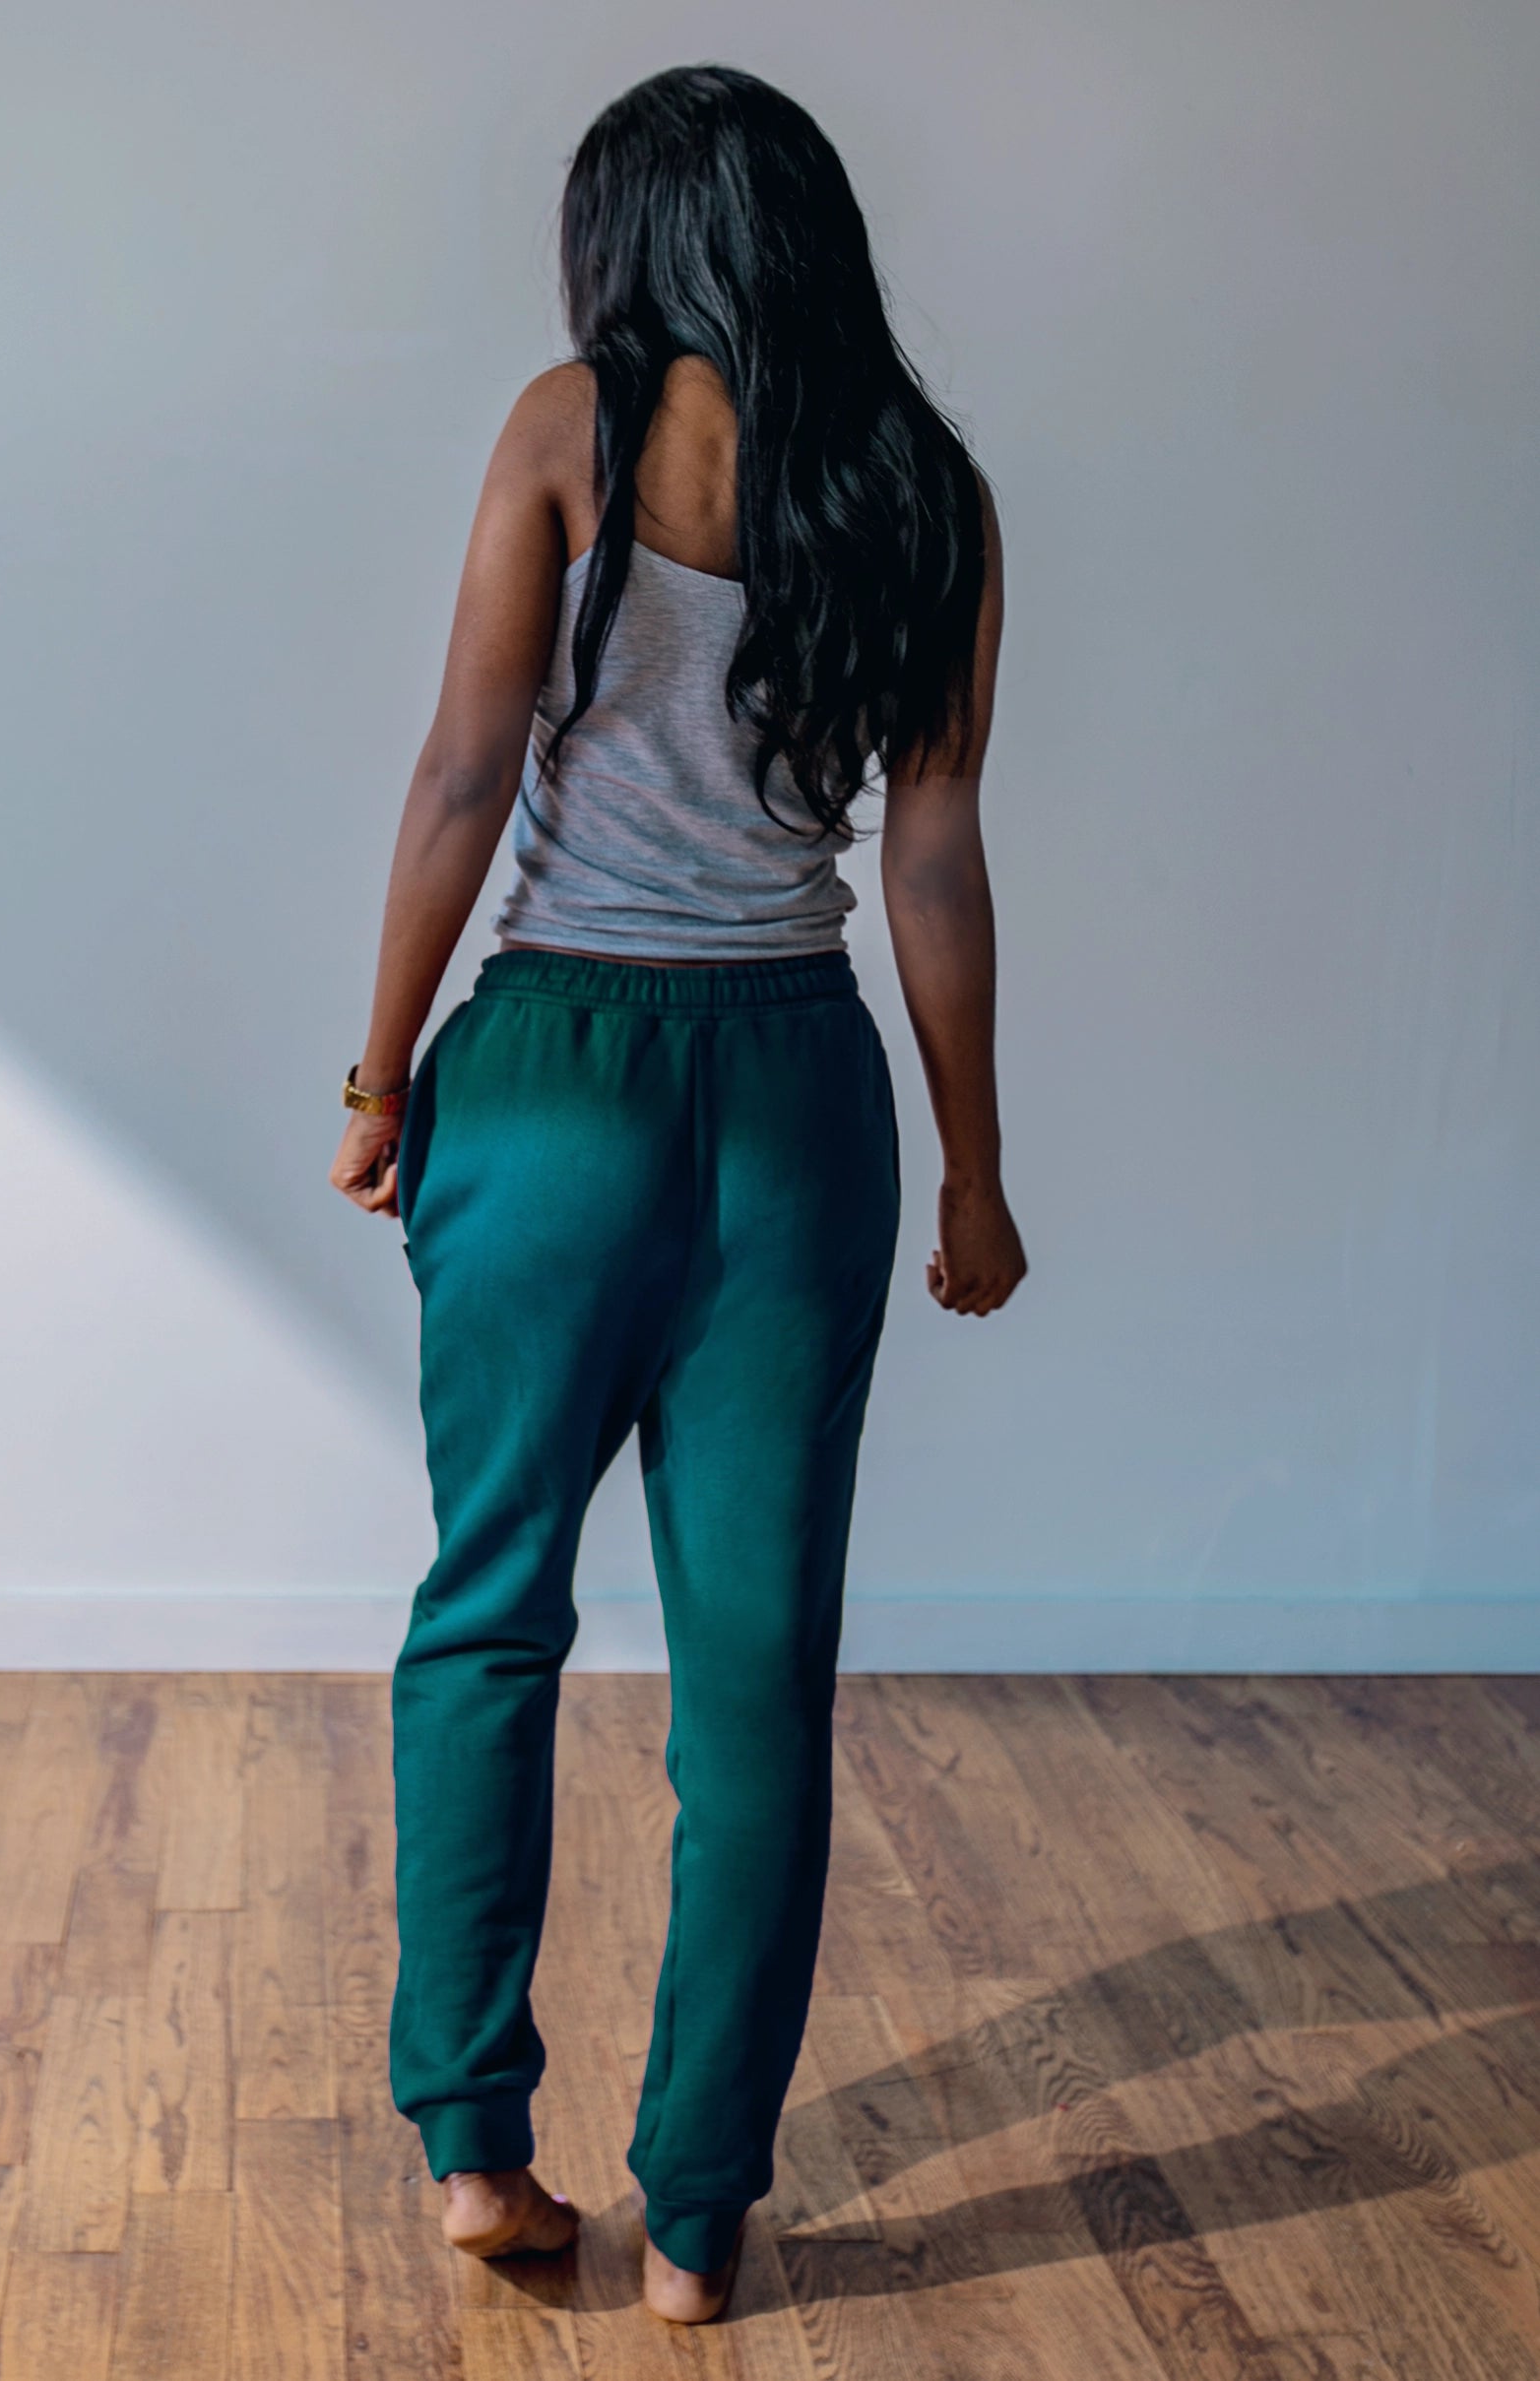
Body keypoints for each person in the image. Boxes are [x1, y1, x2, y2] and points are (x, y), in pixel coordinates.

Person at [328, 62, 1026, 2326]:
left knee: (488, 1609)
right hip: (799, 1109)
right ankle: (700, 2226)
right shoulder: (927, 491)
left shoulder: (574, 424)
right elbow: (927, 851)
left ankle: (476, 2151)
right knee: (757, 1677)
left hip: (548, 1083)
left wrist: (371, 1080)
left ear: (631, 241)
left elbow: (462, 765)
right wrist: (977, 1167)